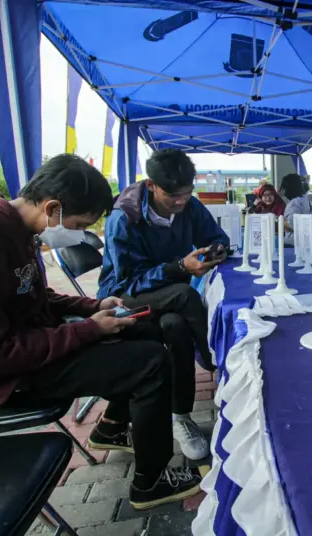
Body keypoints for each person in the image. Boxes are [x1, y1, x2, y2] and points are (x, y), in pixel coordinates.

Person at [0, 154, 201, 509]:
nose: (78, 234)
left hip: (27, 342)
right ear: (52, 207)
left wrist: (91, 308)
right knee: (150, 362)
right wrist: (89, 330)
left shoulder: (13, 228)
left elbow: (35, 297)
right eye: (78, 223)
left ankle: (112, 426)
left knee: (144, 329)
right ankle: (151, 482)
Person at [97, 149, 229, 460]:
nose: (181, 202)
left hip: (169, 296)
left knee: (176, 325)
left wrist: (215, 250)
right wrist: (180, 269)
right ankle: (213, 361)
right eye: (173, 195)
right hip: (125, 297)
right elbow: (126, 281)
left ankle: (180, 416)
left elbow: (216, 235)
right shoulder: (124, 218)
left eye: (187, 193)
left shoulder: (189, 206)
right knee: (185, 295)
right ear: (152, 185)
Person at [280, 174, 312, 246]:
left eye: (284, 188)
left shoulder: (294, 203)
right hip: (307, 241)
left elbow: (292, 225)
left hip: (293, 243)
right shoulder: (306, 199)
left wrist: (280, 222)